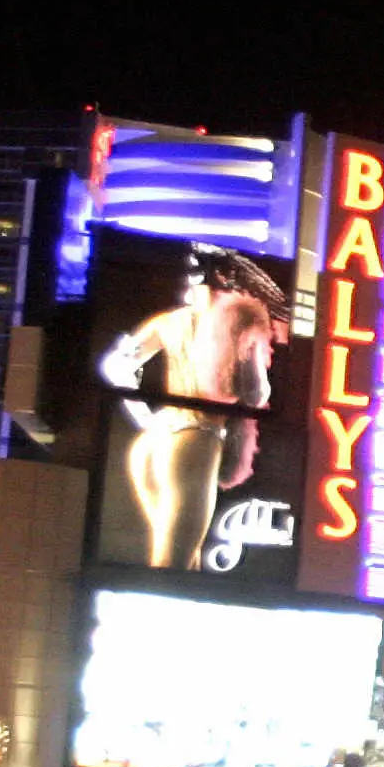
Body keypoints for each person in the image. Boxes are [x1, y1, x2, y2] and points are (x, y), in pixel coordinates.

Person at [98, 244, 288, 572]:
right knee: (174, 567)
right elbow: (256, 396)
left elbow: (114, 366)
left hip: (153, 442)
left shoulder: (168, 321)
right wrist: (254, 354)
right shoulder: (239, 320)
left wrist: (146, 418)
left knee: (183, 562)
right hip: (196, 440)